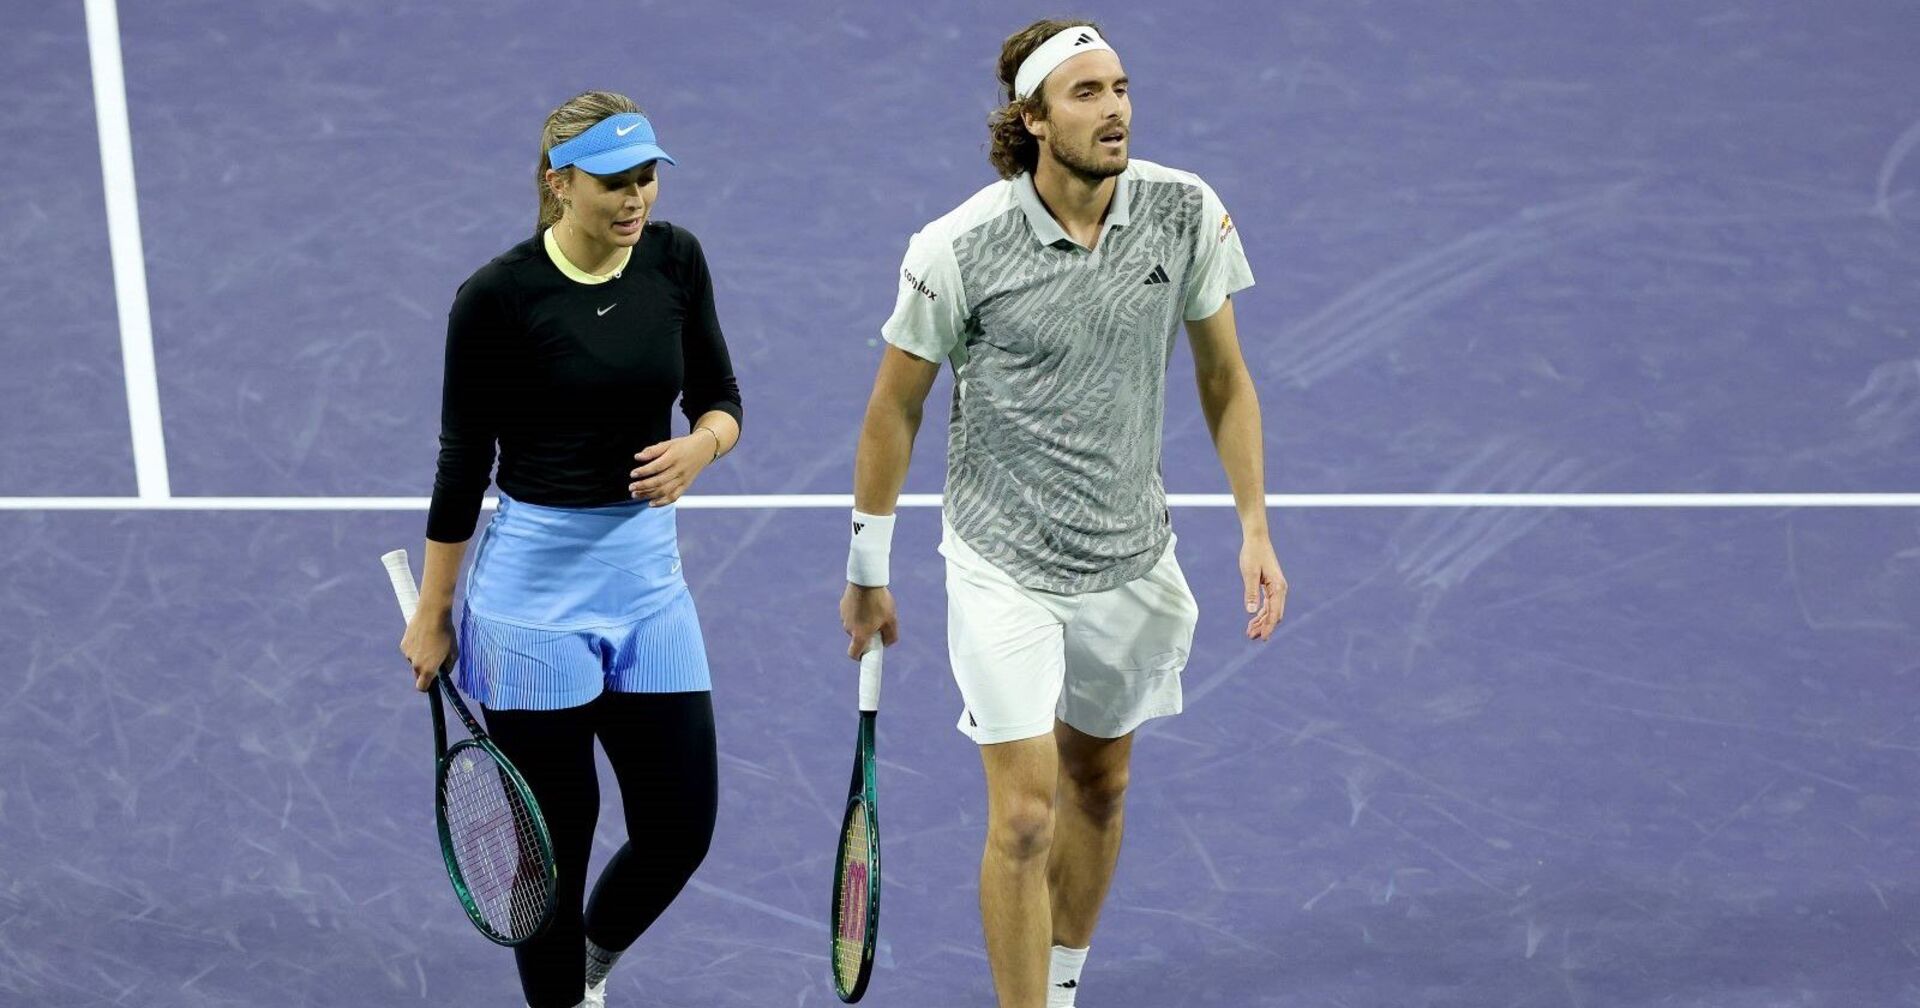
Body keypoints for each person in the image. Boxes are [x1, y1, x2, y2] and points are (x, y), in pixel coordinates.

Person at [838, 20, 1286, 1008]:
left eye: (1121, 86)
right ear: (1034, 119)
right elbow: (893, 409)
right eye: (1085, 92)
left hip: (1131, 558)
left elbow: (1225, 376)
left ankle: (1064, 984)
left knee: (1100, 783)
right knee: (1026, 818)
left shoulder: (1186, 211)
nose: (1116, 106)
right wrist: (868, 565)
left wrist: (1254, 524)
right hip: (1004, 564)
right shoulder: (958, 247)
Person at [399, 90, 742, 1008]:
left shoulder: (676, 260)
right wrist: (435, 611)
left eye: (646, 178)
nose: (636, 200)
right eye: (613, 183)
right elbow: (462, 461)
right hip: (532, 600)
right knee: (556, 844)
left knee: (679, 828)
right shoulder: (498, 298)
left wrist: (699, 448)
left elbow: (721, 397)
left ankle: (586, 968)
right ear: (560, 185)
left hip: (648, 587)